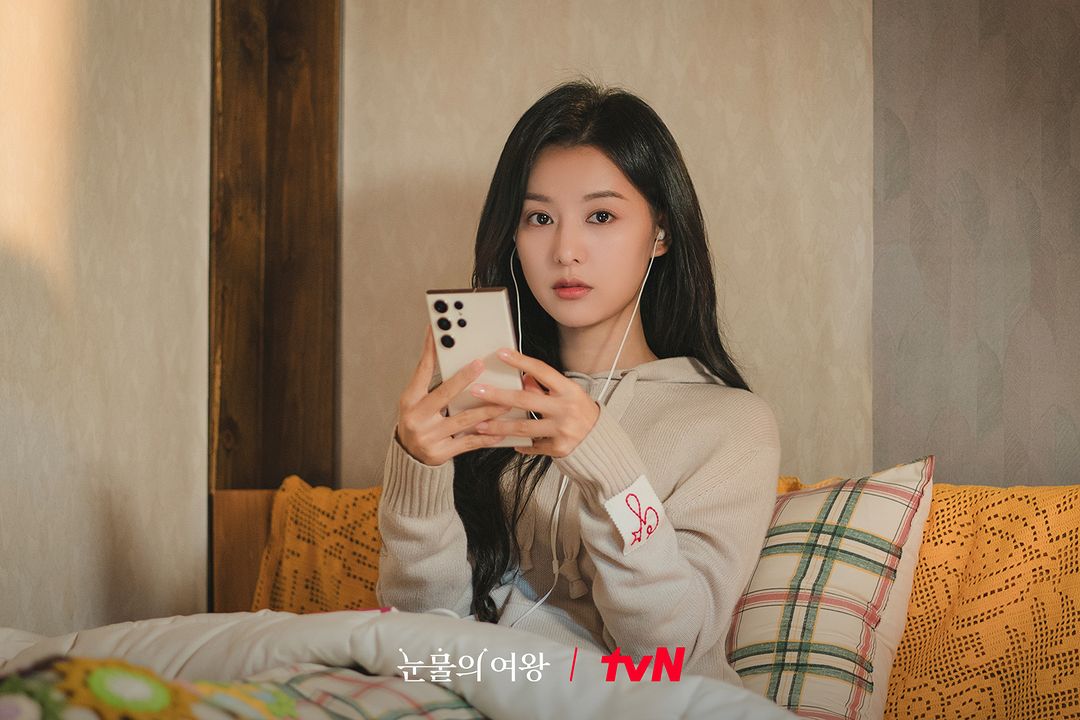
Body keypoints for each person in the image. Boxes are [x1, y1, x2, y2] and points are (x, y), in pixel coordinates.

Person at [376, 79, 780, 686]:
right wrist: (419, 471)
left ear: (661, 231)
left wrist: (605, 465)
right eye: (539, 217)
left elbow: (670, 653)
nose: (566, 250)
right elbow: (422, 637)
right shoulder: (484, 400)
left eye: (601, 216)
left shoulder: (732, 424)